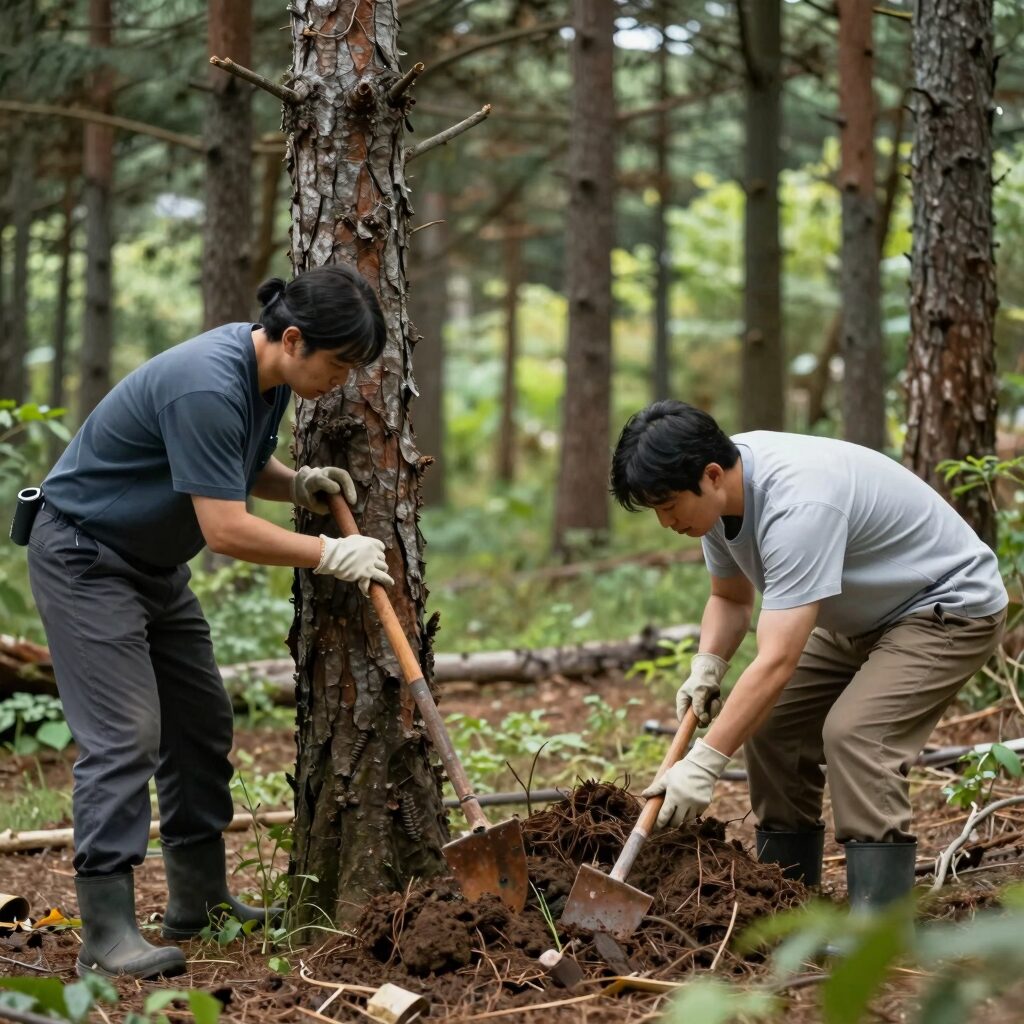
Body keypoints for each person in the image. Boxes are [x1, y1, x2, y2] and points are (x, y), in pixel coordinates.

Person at [26, 265, 395, 979]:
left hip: (152, 568)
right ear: (292, 339)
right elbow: (225, 529)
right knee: (124, 736)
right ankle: (106, 933)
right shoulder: (208, 382)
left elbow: (229, 465)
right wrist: (328, 553)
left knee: (200, 724)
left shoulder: (265, 380)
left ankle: (199, 902)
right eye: (339, 364)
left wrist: (299, 484)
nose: (342, 381)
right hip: (86, 560)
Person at [610, 400, 1007, 909]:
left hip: (945, 605)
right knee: (773, 727)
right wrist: (706, 666)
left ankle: (878, 922)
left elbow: (777, 660)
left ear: (710, 476)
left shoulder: (796, 504)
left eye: (668, 506)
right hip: (855, 613)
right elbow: (729, 599)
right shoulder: (717, 502)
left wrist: (704, 762)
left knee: (859, 735)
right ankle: (786, 897)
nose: (665, 522)